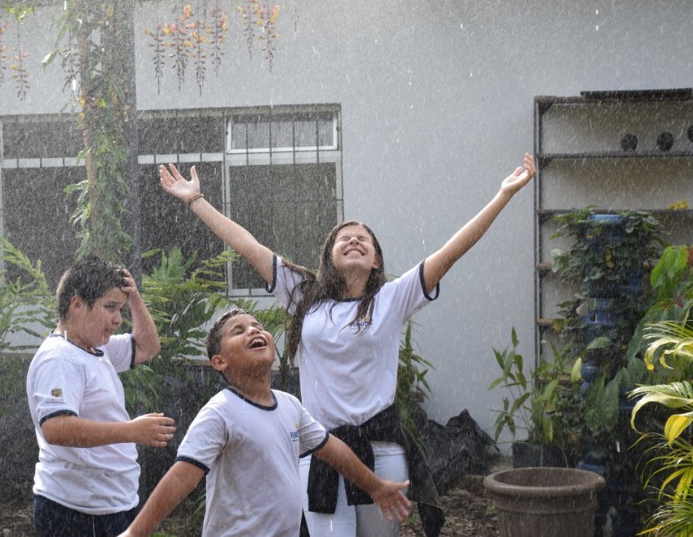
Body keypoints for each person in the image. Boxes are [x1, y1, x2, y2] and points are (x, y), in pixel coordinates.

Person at [159, 153, 536, 537]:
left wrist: (502, 195)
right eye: (344, 237)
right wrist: (195, 200)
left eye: (364, 239)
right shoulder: (304, 296)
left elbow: (453, 251)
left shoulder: (392, 298)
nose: (354, 239)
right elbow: (247, 245)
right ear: (329, 256)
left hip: (382, 450)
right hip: (321, 450)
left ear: (376, 261)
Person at [120, 308, 413, 537]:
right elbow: (182, 477)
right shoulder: (221, 412)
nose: (254, 331)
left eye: (258, 327)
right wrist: (136, 531)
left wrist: (374, 485)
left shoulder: (290, 405)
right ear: (220, 362)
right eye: (239, 331)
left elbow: (332, 449)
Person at [26, 255, 176, 537]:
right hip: (79, 510)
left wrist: (135, 300)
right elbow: (56, 428)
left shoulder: (96, 349)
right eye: (110, 308)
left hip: (108, 504)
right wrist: (132, 431)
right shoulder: (61, 358)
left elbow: (148, 346)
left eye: (121, 309)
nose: (118, 320)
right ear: (77, 304)